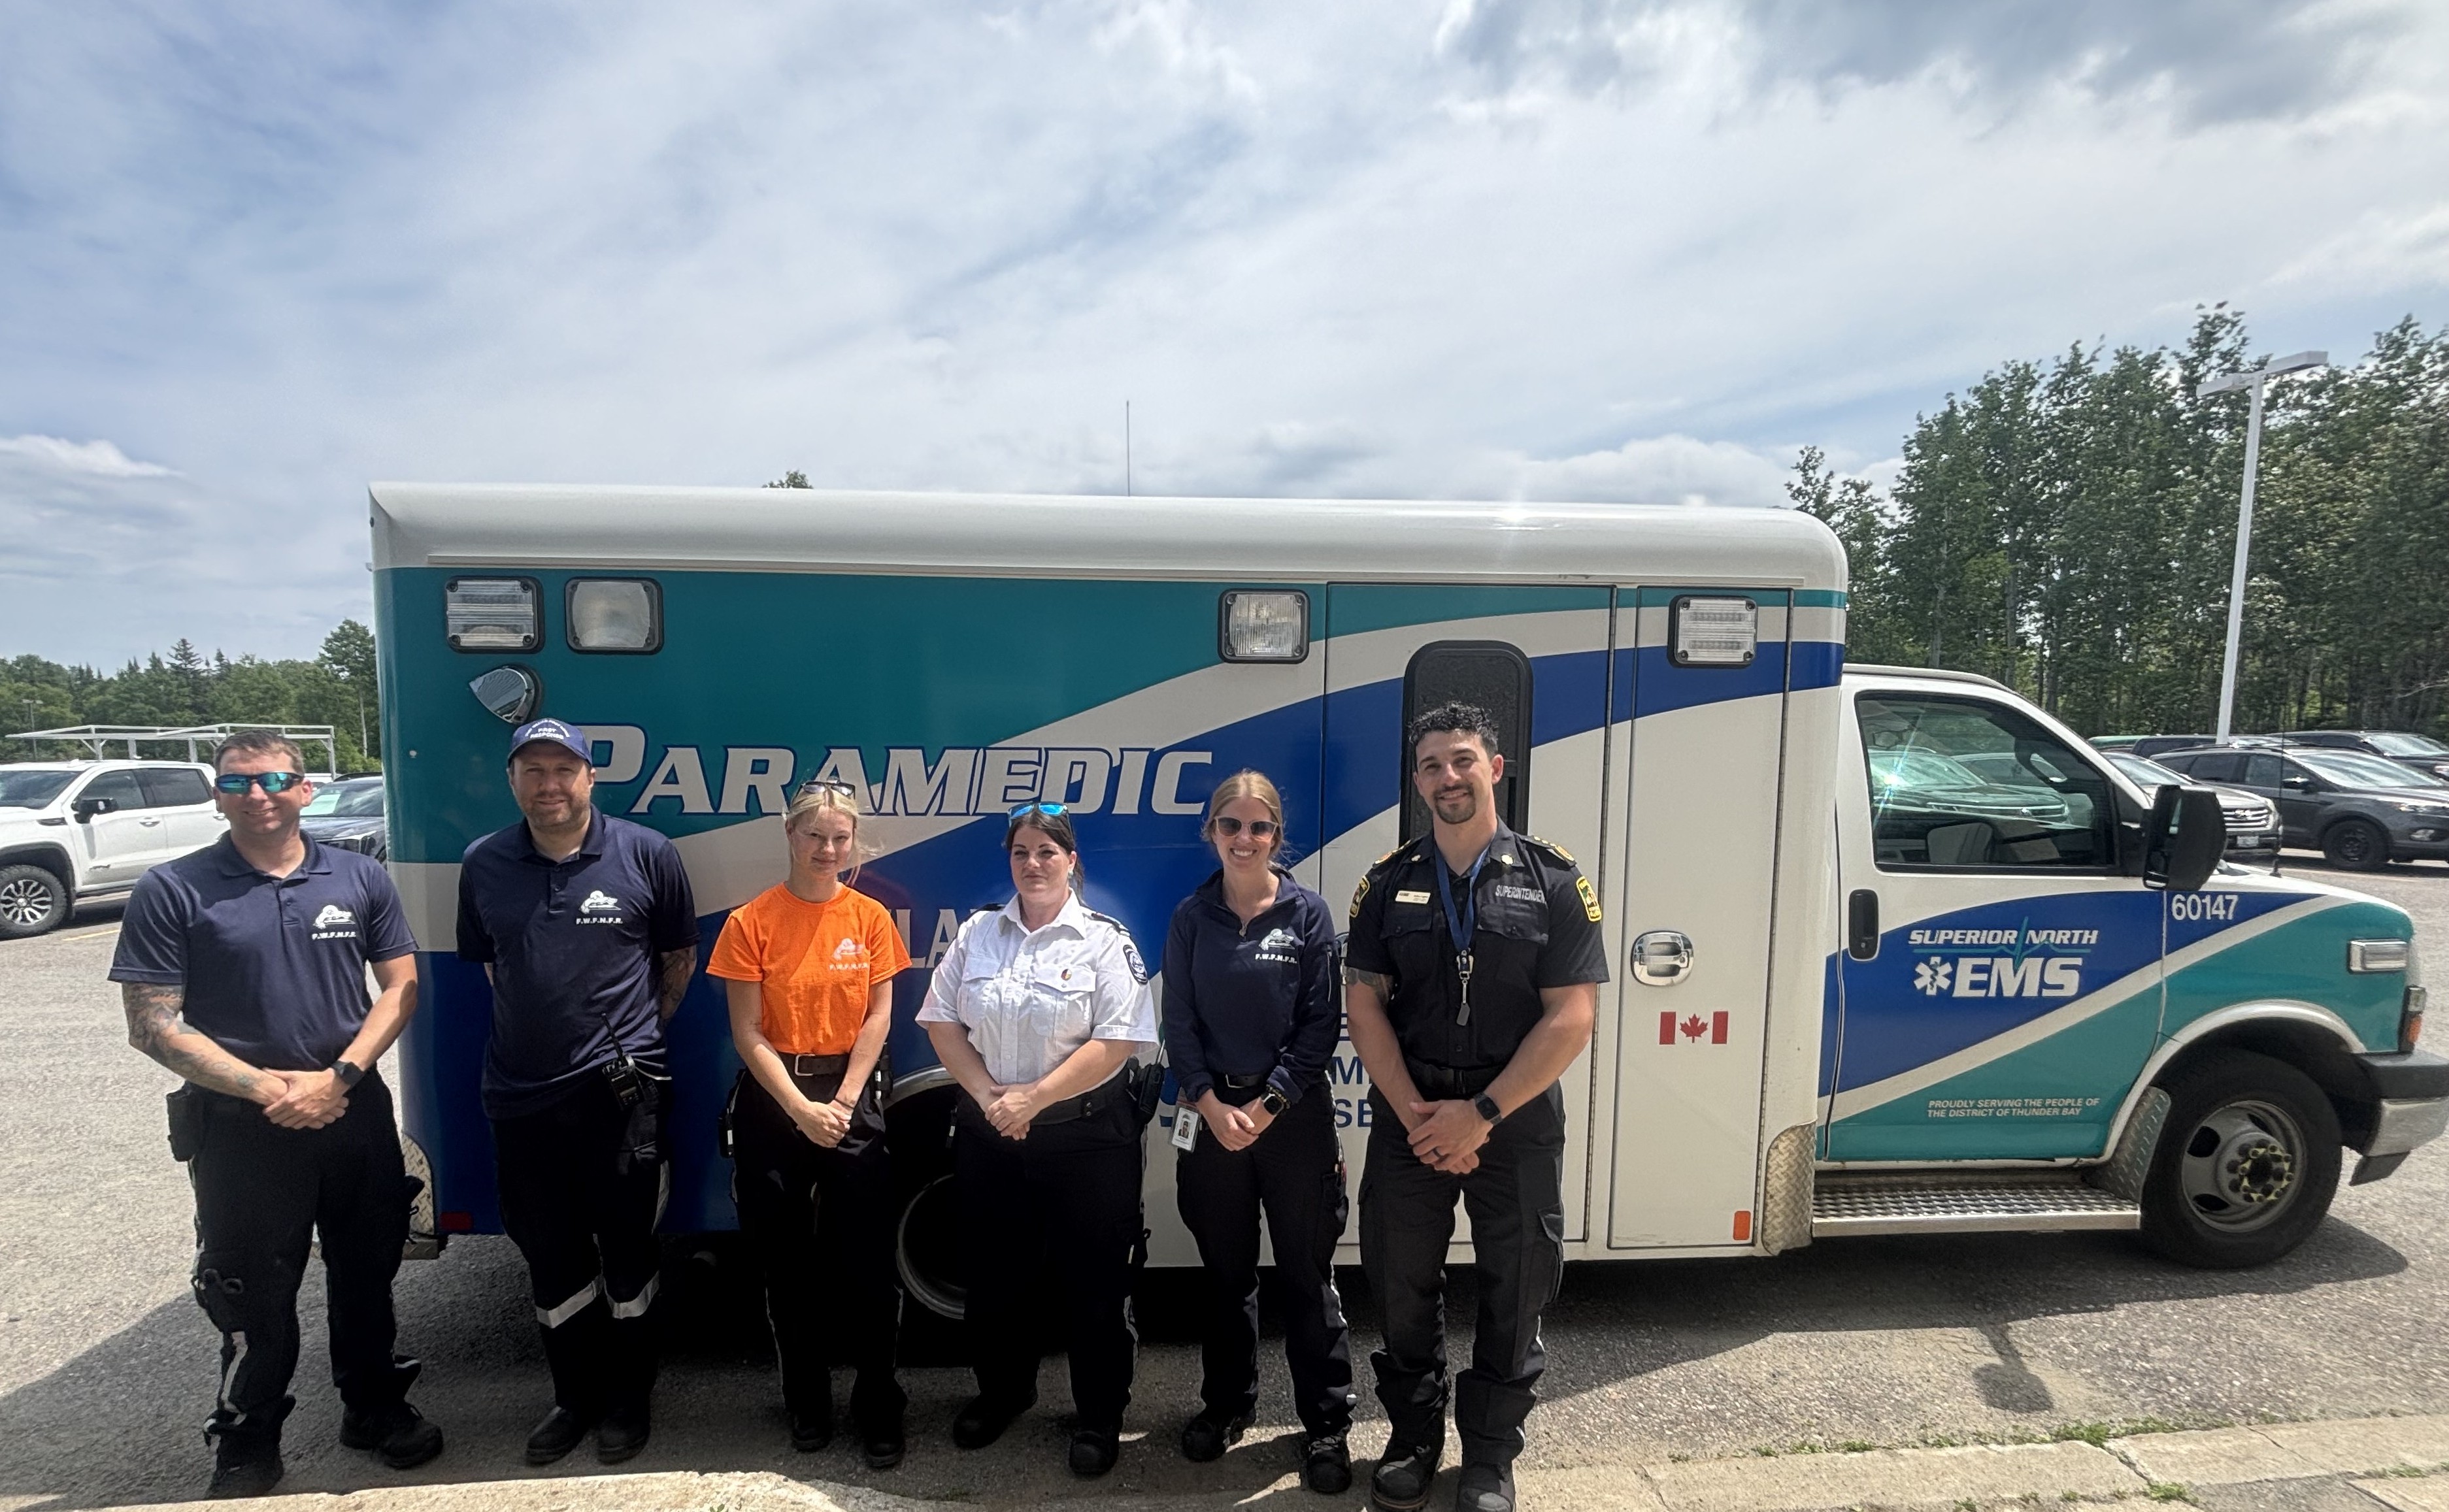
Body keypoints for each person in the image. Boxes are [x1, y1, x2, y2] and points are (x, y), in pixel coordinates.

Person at [110, 730, 442, 1499]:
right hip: (240, 1128)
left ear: (305, 789)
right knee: (249, 1291)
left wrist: (342, 1077)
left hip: (353, 1112)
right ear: (217, 794)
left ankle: (374, 1408)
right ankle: (248, 1436)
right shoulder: (174, 887)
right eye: (237, 784)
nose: (256, 796)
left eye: (273, 780)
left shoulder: (358, 876)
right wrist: (270, 1090)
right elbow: (152, 1022)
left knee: (368, 1274)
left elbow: (399, 987)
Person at [1344, 703, 1605, 1512]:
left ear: (1496, 769)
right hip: (1411, 1117)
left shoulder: (1554, 879)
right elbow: (1363, 1006)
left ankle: (1490, 1456)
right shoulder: (1386, 883)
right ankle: (1414, 1438)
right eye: (1431, 765)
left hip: (1513, 1120)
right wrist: (1424, 1116)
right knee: (1399, 1283)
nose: (1447, 777)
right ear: (1417, 781)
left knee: (1516, 1283)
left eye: (1462, 760)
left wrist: (1481, 1114)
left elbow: (1573, 1015)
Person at [455, 717, 699, 1466]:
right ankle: (574, 1398)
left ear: (592, 778)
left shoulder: (647, 855)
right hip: (523, 1099)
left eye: (564, 769)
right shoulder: (483, 862)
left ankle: (629, 1402)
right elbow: (492, 963)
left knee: (630, 1255)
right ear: (513, 781)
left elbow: (678, 959)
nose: (549, 784)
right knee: (551, 1260)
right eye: (533, 770)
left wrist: (624, 1041)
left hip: (620, 1100)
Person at [918, 803, 1157, 1479]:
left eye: (1048, 852)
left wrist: (1033, 1097)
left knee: (1095, 1283)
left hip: (1087, 1137)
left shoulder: (1104, 940)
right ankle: (1003, 1392)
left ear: (1072, 860)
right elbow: (940, 1021)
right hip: (994, 1134)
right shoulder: (977, 935)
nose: (1033, 863)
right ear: (1010, 858)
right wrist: (995, 1099)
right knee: (995, 1277)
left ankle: (1100, 1414)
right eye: (1022, 851)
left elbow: (1119, 1039)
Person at [709, 780, 912, 1468]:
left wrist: (845, 1102)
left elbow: (880, 1019)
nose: (827, 849)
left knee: (870, 1268)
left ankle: (879, 1402)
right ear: (789, 837)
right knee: (787, 1268)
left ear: (854, 842)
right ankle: (808, 1401)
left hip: (851, 1099)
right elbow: (746, 1031)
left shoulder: (871, 918)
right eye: (814, 836)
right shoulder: (750, 921)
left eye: (840, 837)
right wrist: (800, 1109)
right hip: (775, 1101)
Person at [1162, 770, 1355, 1493]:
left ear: (1278, 836)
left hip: (1292, 1121)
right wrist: (1210, 1104)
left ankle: (1328, 1423)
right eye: (1231, 825)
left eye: (1259, 827)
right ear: (1211, 831)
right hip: (1213, 1121)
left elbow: (1319, 1025)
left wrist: (1269, 1103)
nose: (1245, 839)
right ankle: (1226, 1406)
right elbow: (1177, 1023)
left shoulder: (1307, 913)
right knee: (1225, 1279)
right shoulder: (1191, 917)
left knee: (1308, 1277)